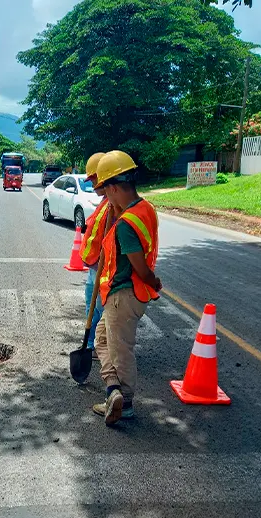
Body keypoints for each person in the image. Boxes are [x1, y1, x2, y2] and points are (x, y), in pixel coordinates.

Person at [92, 151, 162, 425]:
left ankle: (127, 402)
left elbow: (139, 266)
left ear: (112, 187)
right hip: (129, 295)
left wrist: (153, 280)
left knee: (121, 349)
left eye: (105, 189)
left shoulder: (125, 226)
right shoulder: (145, 209)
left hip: (124, 294)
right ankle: (113, 391)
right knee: (101, 339)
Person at [79, 153, 109, 357]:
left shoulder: (115, 203)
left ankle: (100, 346)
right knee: (91, 304)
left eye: (94, 179)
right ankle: (90, 345)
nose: (92, 184)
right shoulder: (105, 201)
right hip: (94, 268)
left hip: (103, 269)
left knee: (99, 308)